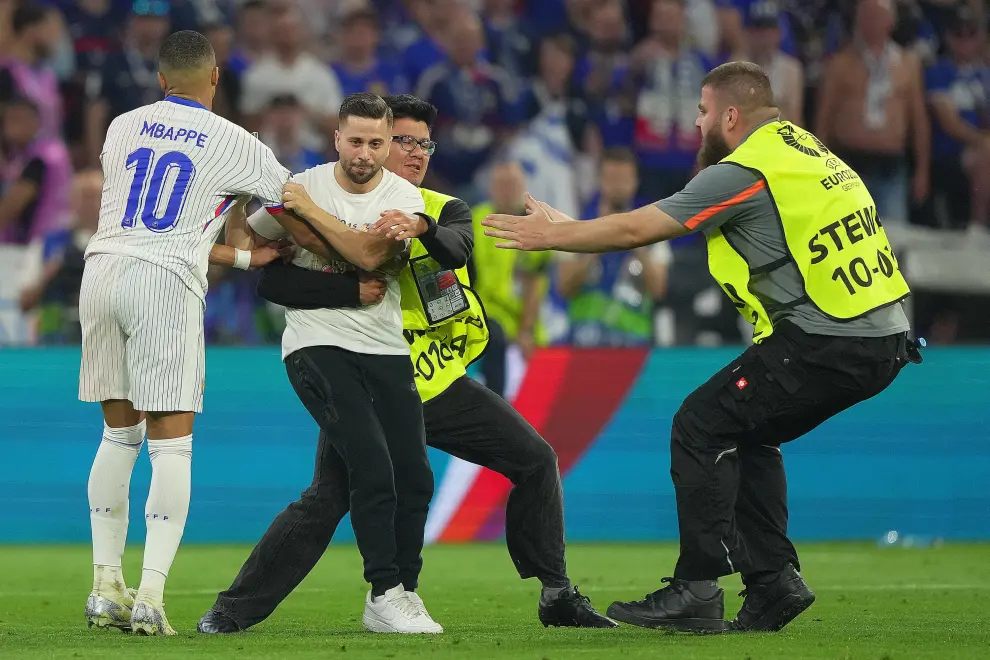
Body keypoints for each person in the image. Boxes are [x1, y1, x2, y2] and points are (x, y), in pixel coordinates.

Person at [483, 61, 921, 634]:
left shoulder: (743, 170)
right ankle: (772, 584)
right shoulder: (808, 152)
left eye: (703, 112)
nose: (696, 124)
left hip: (826, 337)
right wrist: (572, 224)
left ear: (731, 116)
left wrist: (554, 235)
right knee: (746, 429)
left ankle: (697, 588)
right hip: (883, 336)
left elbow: (644, 228)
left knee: (699, 424)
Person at [196, 94, 615, 635]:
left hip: (435, 380)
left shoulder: (442, 208)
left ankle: (555, 590)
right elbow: (273, 280)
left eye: (424, 144)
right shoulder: (334, 202)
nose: (416, 153)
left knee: (534, 459)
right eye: (406, 142)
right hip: (362, 369)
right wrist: (349, 290)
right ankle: (240, 607)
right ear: (376, 144)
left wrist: (421, 228)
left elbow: (457, 248)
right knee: (332, 496)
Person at [200, 92, 443, 635]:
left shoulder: (405, 198)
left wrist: (306, 213)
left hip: (385, 348)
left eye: (376, 143)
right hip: (316, 344)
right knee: (373, 468)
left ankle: (402, 591)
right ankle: (384, 592)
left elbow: (370, 256)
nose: (364, 154)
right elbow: (247, 241)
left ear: (388, 143)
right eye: (354, 141)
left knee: (415, 477)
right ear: (336, 137)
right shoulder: (305, 182)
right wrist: (242, 205)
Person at [79, 29, 296, 636]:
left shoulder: (121, 126)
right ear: (216, 78)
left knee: (118, 435)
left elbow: (161, 221)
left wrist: (241, 255)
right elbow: (289, 200)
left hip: (101, 273)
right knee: (171, 444)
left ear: (159, 79)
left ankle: (104, 586)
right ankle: (149, 597)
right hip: (163, 286)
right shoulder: (234, 140)